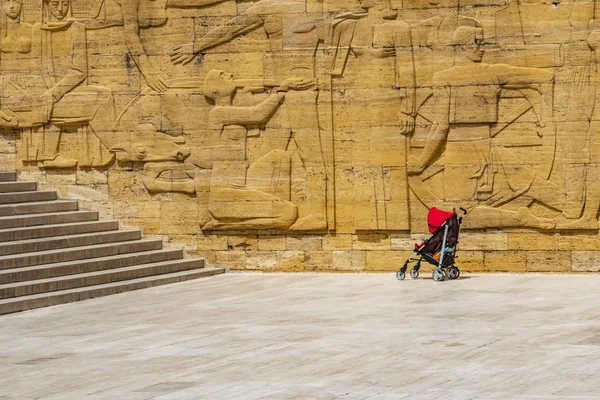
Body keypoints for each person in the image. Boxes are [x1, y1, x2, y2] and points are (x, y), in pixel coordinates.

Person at [408, 20, 566, 229]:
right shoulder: (494, 72)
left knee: (454, 218)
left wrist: (421, 162)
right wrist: (544, 114)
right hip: (488, 149)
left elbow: (440, 126)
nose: (482, 48)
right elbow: (545, 78)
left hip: (461, 152)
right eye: (477, 42)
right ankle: (575, 210)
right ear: (462, 46)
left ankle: (522, 218)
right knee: (536, 187)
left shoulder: (444, 78)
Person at [185, 70, 314, 230]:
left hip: (243, 184)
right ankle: (221, 224)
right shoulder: (218, 112)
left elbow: (255, 109)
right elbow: (257, 114)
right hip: (226, 195)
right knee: (288, 214)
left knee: (280, 156)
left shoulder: (232, 111)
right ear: (215, 91)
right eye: (222, 76)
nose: (230, 76)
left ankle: (275, 205)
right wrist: (282, 89)